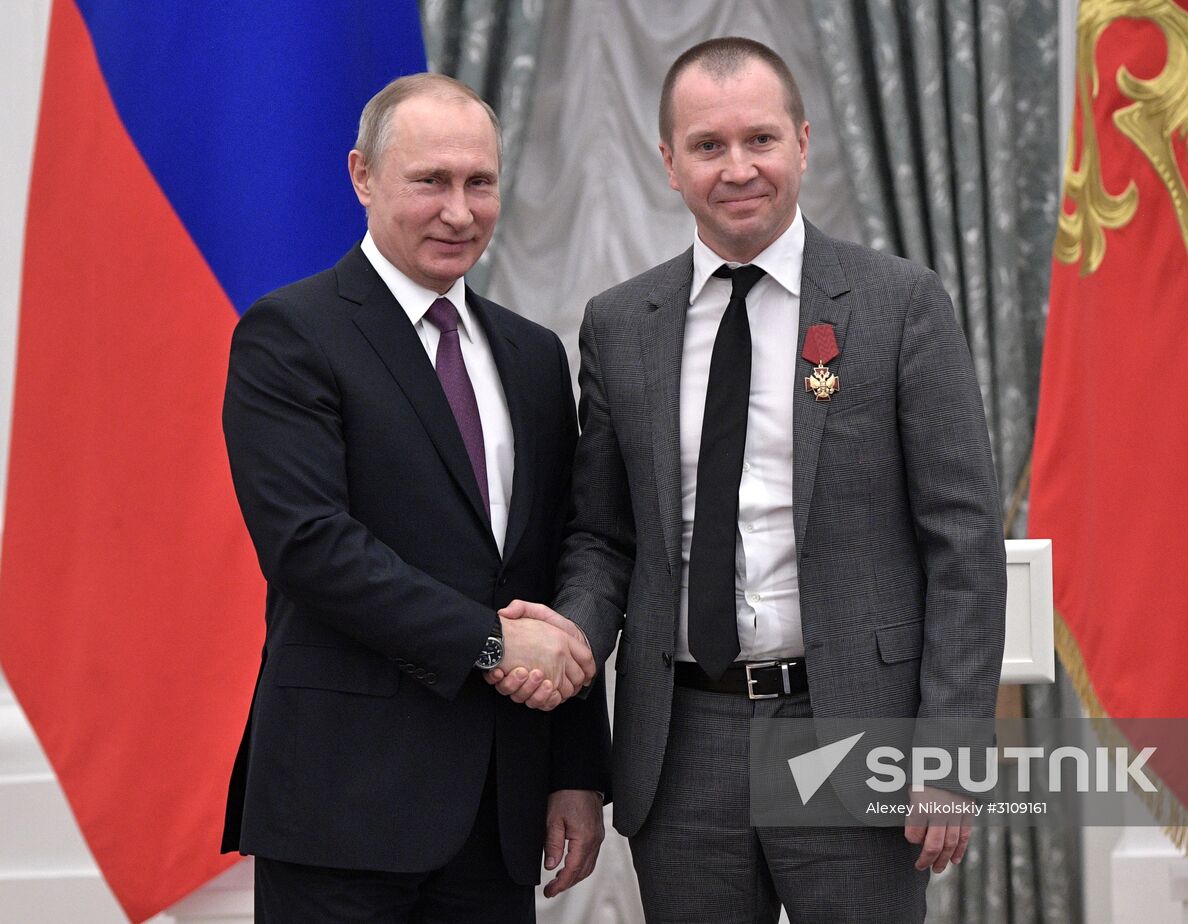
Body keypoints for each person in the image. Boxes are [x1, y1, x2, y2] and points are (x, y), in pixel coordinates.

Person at [490, 37, 1006, 924]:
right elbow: (603, 538)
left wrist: (949, 751)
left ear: (802, 142)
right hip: (684, 744)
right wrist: (567, 638)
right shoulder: (619, 326)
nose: (739, 169)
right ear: (669, 163)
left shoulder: (899, 304)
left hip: (853, 730)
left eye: (760, 140)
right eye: (708, 146)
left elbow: (962, 542)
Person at [220, 73, 609, 923]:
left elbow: (558, 556)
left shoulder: (534, 354)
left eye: (480, 183)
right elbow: (311, 545)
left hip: (498, 814)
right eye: (430, 181)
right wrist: (489, 644)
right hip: (342, 808)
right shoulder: (289, 334)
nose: (459, 211)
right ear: (363, 176)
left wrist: (575, 769)